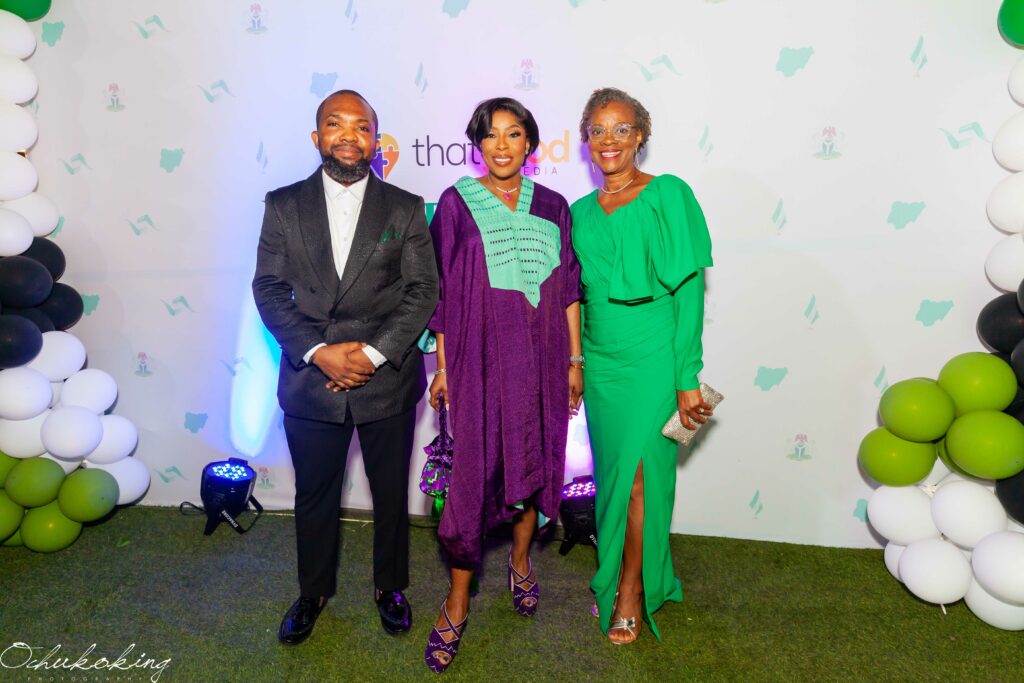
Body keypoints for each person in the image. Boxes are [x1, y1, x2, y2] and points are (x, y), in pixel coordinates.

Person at [252, 89, 438, 645]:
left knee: (390, 492)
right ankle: (312, 592)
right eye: (336, 124)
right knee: (314, 494)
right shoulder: (282, 205)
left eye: (362, 127)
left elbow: (423, 289)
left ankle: (390, 586)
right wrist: (318, 351)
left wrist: (372, 354)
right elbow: (268, 288)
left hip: (387, 379)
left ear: (375, 141)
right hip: (311, 379)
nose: (349, 135)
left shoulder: (405, 206)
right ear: (318, 137)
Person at [422, 97, 583, 673]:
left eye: (513, 134)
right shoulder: (456, 204)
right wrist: (443, 368)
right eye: (490, 136)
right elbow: (441, 292)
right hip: (479, 362)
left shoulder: (554, 206)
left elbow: (568, 289)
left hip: (542, 360)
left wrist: (575, 361)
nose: (502, 146)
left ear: (529, 144)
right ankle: (458, 598)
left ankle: (520, 561)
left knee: (535, 461)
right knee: (473, 477)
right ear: (477, 145)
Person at [569, 87, 714, 645]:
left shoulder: (667, 194)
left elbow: (690, 292)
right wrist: (575, 362)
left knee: (640, 481)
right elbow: (575, 298)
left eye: (622, 129)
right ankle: (617, 572)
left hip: (654, 354)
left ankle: (630, 591)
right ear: (587, 140)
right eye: (598, 130)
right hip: (601, 361)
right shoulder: (578, 213)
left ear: (641, 136)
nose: (609, 140)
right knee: (612, 479)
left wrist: (686, 376)